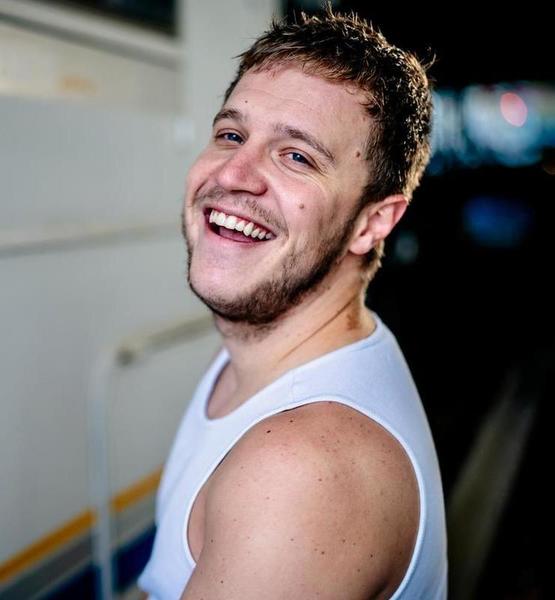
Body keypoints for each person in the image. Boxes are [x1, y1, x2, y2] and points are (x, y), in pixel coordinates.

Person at [138, 4, 447, 599]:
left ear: (372, 223)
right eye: (231, 135)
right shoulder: (260, 357)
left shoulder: (303, 471)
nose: (234, 174)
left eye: (297, 156)